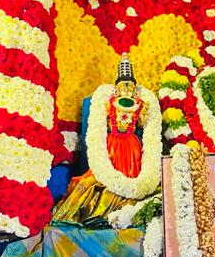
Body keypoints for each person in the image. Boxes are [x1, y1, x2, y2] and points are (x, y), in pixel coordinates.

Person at [52, 53, 155, 224]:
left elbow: (145, 123)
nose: (127, 88)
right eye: (124, 84)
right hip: (112, 146)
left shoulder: (142, 104)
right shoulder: (108, 103)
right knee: (98, 182)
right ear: (117, 86)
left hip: (132, 148)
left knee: (133, 181)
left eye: (130, 84)